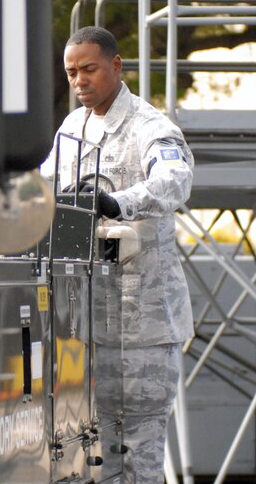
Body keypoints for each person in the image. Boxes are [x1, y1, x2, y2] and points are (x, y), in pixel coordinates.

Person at [40, 26, 194, 484]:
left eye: (89, 69)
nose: (80, 81)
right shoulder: (73, 128)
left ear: (115, 65)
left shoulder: (151, 128)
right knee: (98, 450)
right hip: (88, 320)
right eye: (71, 72)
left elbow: (174, 182)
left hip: (142, 323)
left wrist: (116, 203)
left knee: (138, 452)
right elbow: (43, 185)